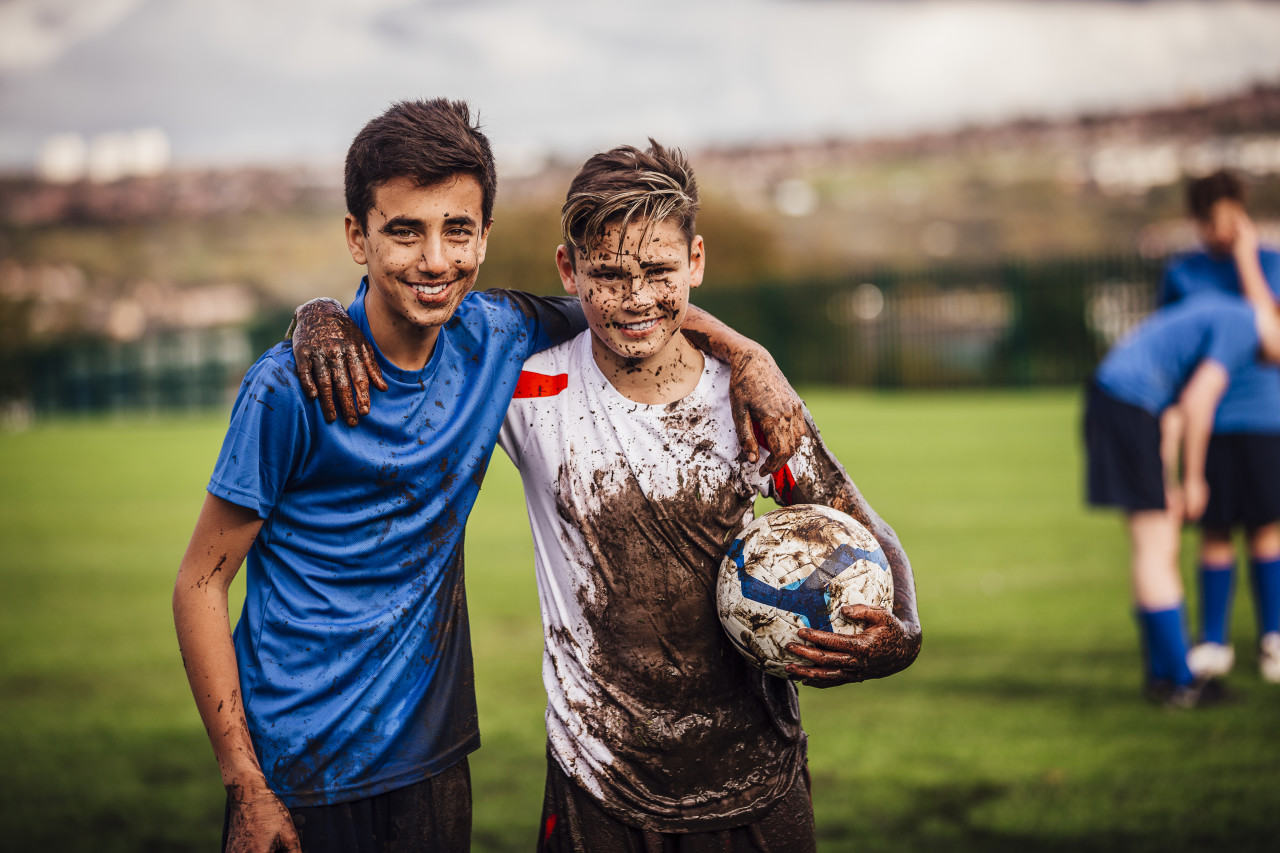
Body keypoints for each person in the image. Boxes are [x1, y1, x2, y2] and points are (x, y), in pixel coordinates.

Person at [173, 100, 806, 853]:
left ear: (485, 236)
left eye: (457, 229)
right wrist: (245, 782)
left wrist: (748, 352)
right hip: (295, 770)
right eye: (404, 230)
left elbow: (631, 306)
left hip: (433, 760)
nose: (435, 259)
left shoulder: (497, 336)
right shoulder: (290, 388)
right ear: (357, 236)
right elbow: (199, 582)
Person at [496, 141, 921, 851]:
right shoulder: (529, 392)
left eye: (659, 271)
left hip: (757, 776)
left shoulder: (746, 399)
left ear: (696, 260)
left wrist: (901, 631)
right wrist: (321, 312)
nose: (635, 298)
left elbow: (857, 520)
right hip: (598, 780)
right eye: (607, 274)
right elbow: (413, 338)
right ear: (569, 269)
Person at [1085, 277, 1280, 707]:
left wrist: (1170, 481)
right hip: (1125, 408)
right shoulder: (1244, 324)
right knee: (1155, 546)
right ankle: (1179, 683)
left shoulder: (1224, 315)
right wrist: (1194, 477)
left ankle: (1166, 676)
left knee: (1159, 541)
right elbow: (1197, 400)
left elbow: (1171, 409)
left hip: (1123, 405)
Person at [1156, 169, 1280, 684]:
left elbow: (1273, 344)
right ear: (1196, 222)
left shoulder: (1270, 263)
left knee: (1267, 531)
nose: (1219, 230)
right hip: (1207, 422)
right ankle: (1213, 642)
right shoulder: (1182, 273)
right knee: (1213, 529)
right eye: (1208, 222)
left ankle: (1273, 638)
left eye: (1227, 218)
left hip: (1265, 418)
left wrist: (1249, 261)